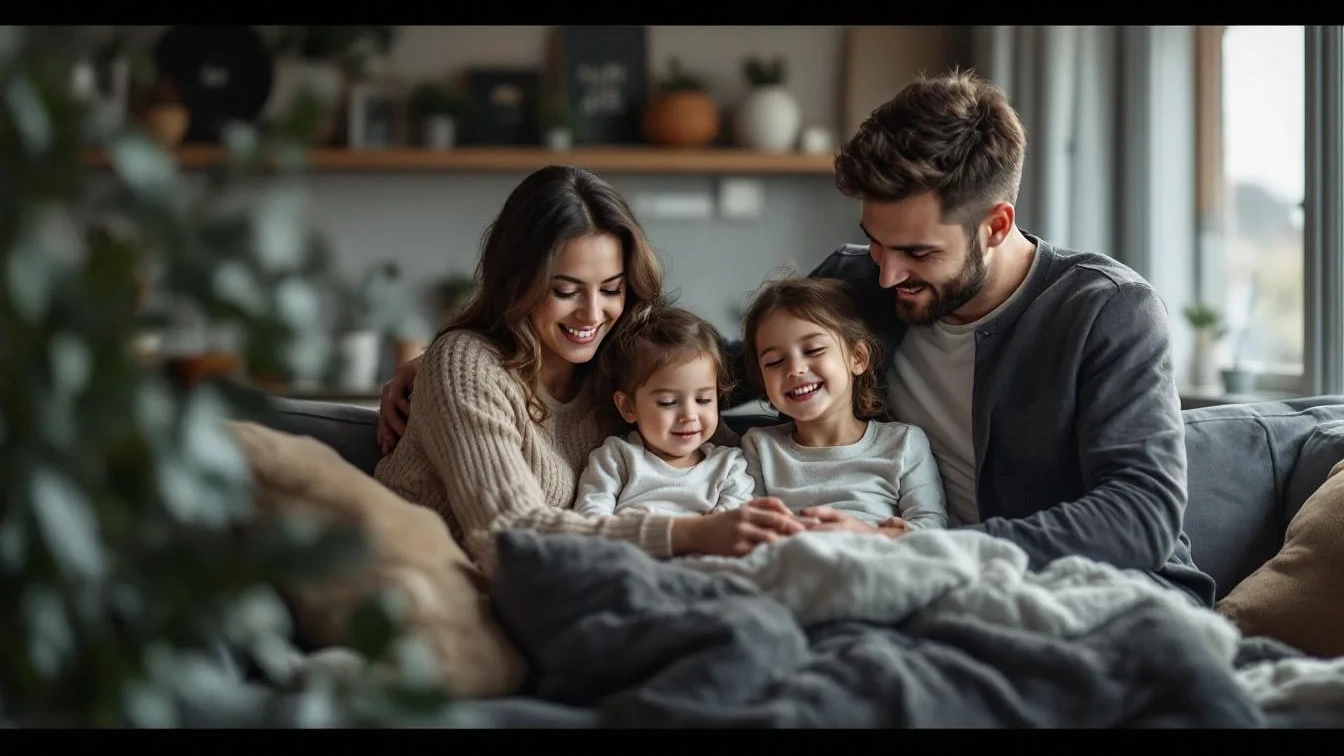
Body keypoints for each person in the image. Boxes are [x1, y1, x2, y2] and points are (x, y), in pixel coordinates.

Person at [378, 70, 1217, 608]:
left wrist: (928, 550)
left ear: (996, 223)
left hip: (1049, 587)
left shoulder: (1103, 312)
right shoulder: (856, 284)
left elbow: (1140, 516)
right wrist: (462, 357)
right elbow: (692, 378)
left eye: (917, 253)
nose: (885, 277)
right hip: (881, 589)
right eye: (875, 242)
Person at [371, 165, 804, 576]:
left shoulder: (622, 366)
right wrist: (689, 533)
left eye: (612, 289)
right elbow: (508, 534)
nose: (592, 314)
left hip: (554, 595)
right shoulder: (467, 364)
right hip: (425, 589)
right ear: (517, 284)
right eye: (565, 291)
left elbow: (717, 447)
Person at [738, 277, 949, 534]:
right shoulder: (759, 447)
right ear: (762, 381)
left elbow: (931, 528)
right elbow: (748, 529)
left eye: (813, 350)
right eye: (774, 362)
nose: (794, 369)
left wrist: (869, 535)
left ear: (858, 357)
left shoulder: (903, 443)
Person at [572, 306, 756, 518]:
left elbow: (738, 524)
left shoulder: (728, 466)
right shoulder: (617, 459)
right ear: (628, 407)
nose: (689, 415)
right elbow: (591, 518)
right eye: (668, 402)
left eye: (703, 399)